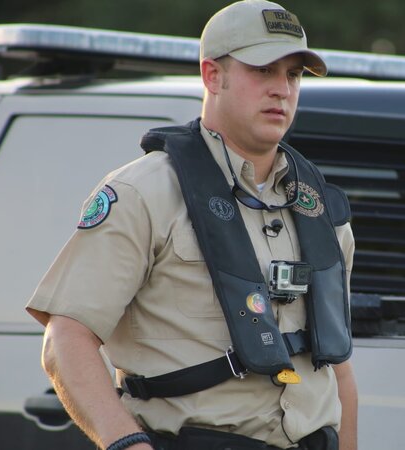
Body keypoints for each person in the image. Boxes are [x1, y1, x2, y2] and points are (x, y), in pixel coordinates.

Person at [26, 1, 358, 450]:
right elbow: (66, 338)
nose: (282, 89)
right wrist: (127, 444)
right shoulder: (145, 193)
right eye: (263, 71)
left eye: (294, 75)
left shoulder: (317, 206)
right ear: (212, 76)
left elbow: (335, 364)